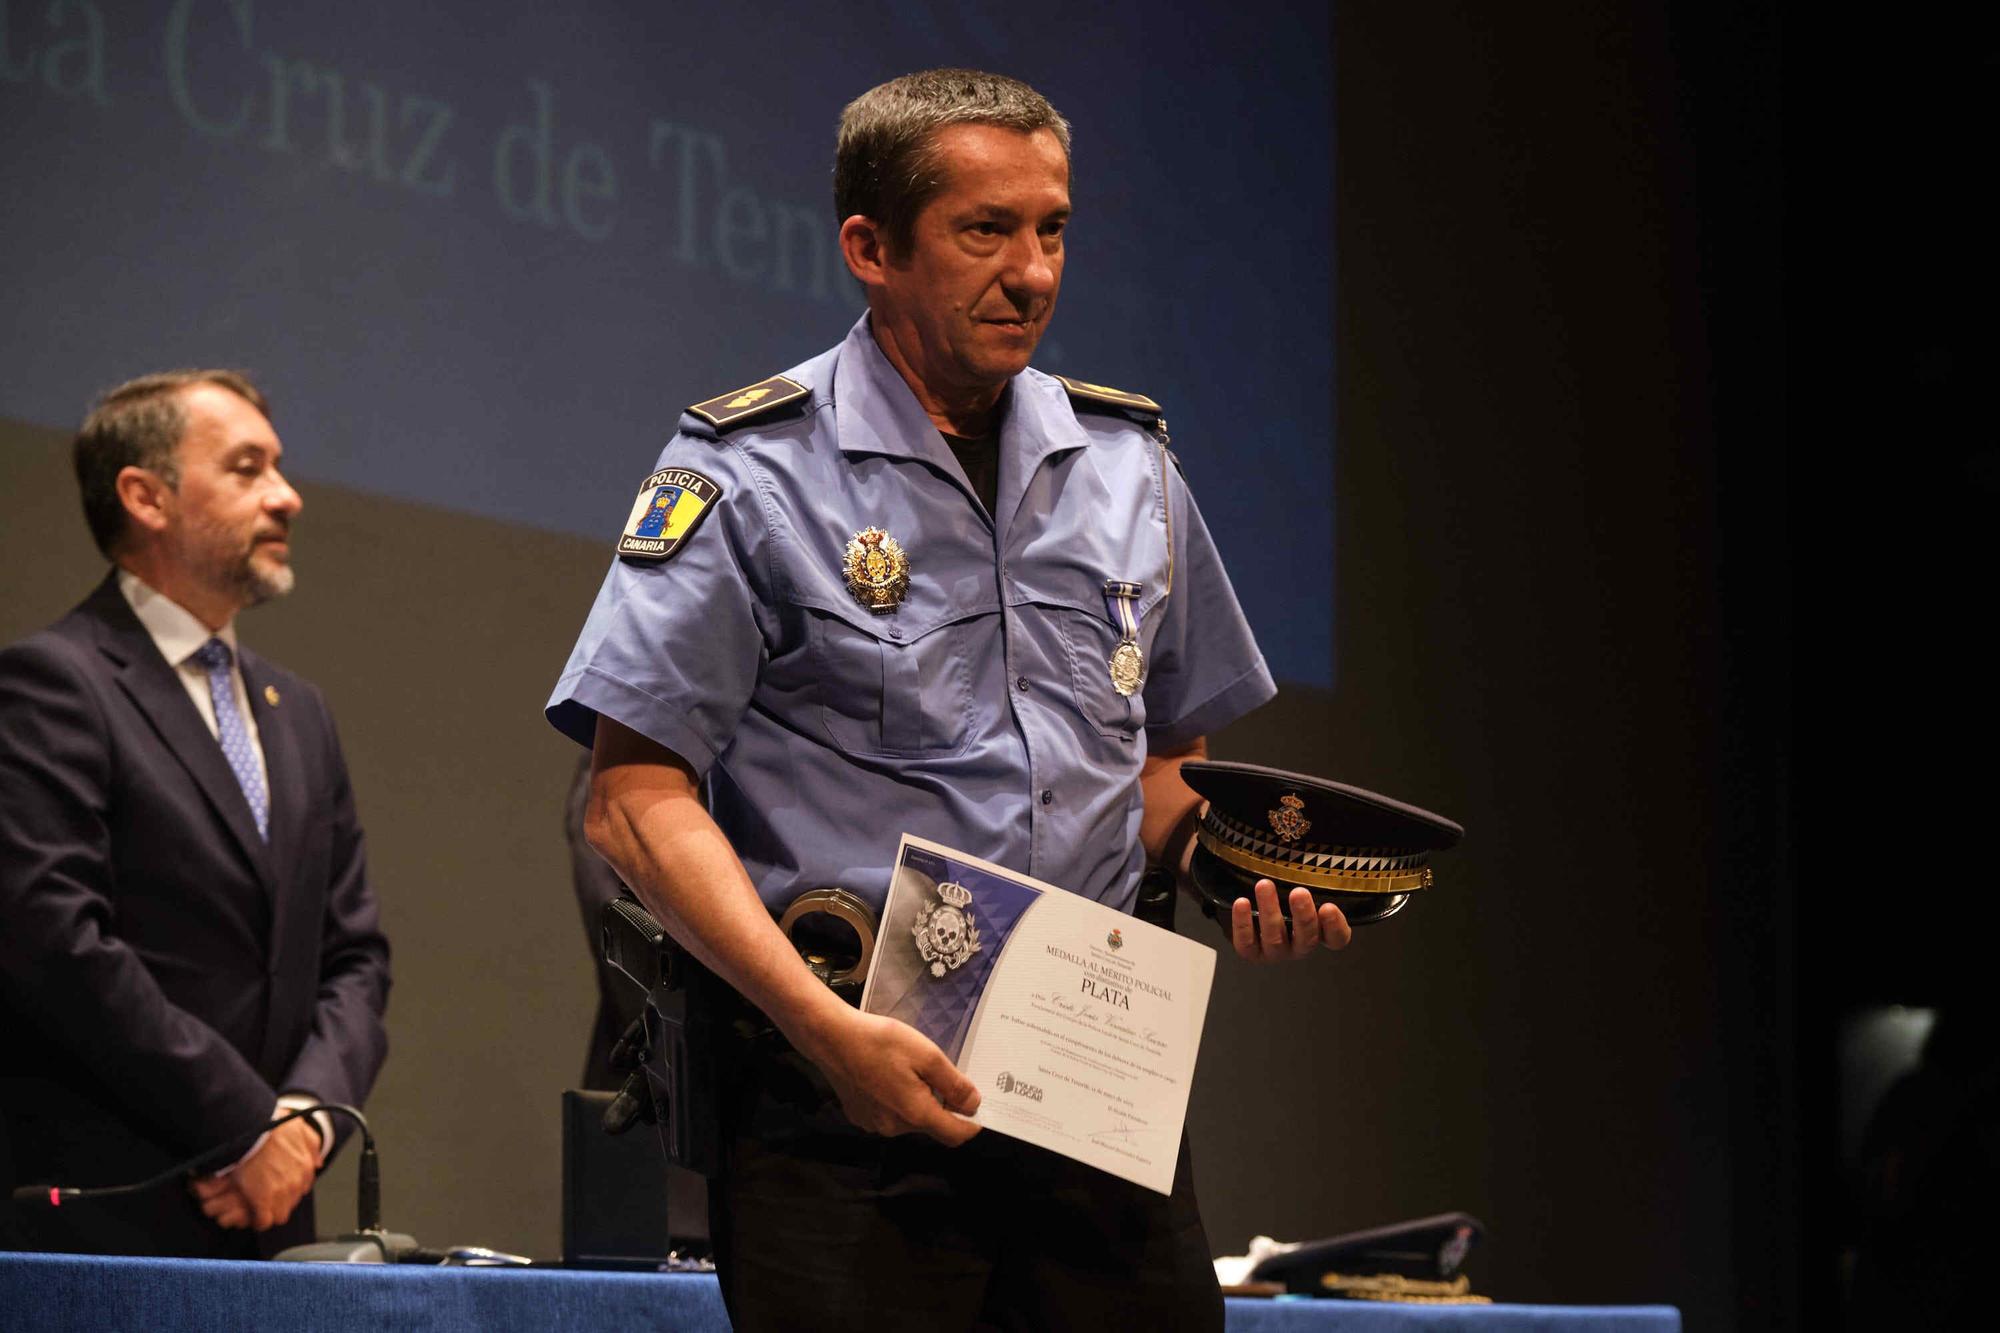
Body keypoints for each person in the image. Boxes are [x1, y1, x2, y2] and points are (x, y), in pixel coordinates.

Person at [547, 69, 1347, 1330]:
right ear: (870, 247)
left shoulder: (1128, 467)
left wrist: (1234, 869)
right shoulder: (747, 470)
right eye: (985, 231)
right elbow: (632, 803)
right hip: (847, 1101)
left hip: (1092, 1099)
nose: (1031, 272)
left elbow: (1160, 768)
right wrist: (819, 1030)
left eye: (1053, 229)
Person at [0, 370, 391, 1259]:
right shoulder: (56, 683)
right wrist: (249, 1124)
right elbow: (56, 942)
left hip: (275, 1210)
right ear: (145, 496)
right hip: (105, 1220)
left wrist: (305, 1128)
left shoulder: (302, 713)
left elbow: (356, 956)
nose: (286, 495)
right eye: (247, 468)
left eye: (279, 467)